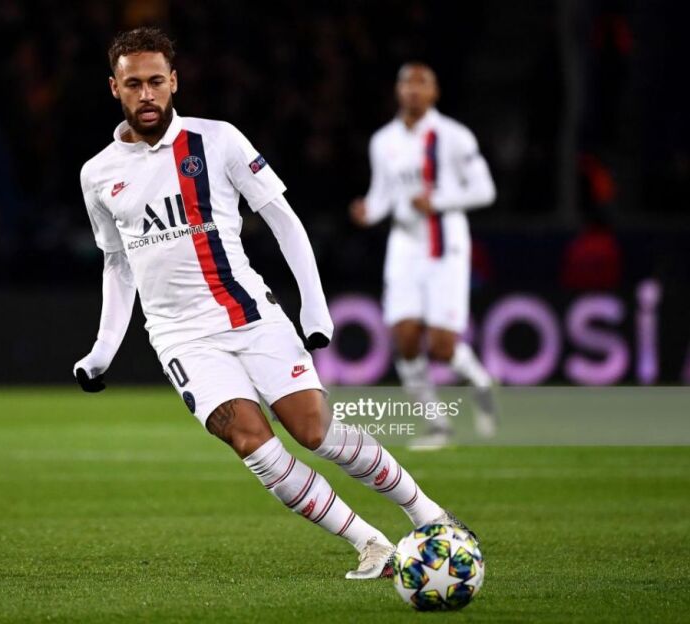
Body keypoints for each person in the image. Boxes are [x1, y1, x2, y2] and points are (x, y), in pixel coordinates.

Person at [74, 29, 474, 579]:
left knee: (315, 431)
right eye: (134, 84)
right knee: (251, 441)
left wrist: (315, 307)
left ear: (175, 82)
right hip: (181, 337)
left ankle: (430, 516)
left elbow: (284, 221)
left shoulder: (218, 141)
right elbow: (118, 264)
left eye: (156, 82)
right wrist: (102, 350)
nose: (147, 94)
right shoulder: (97, 174)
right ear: (114, 87)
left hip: (250, 315)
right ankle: (371, 544)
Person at [350, 62, 498, 449]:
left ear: (434, 93)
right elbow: (383, 195)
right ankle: (437, 425)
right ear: (398, 91)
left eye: (422, 84)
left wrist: (439, 201)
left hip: (444, 243)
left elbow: (485, 190)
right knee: (405, 338)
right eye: (407, 83)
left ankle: (481, 383)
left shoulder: (454, 136)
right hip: (404, 244)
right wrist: (368, 211)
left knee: (442, 345)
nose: (413, 90)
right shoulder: (383, 141)